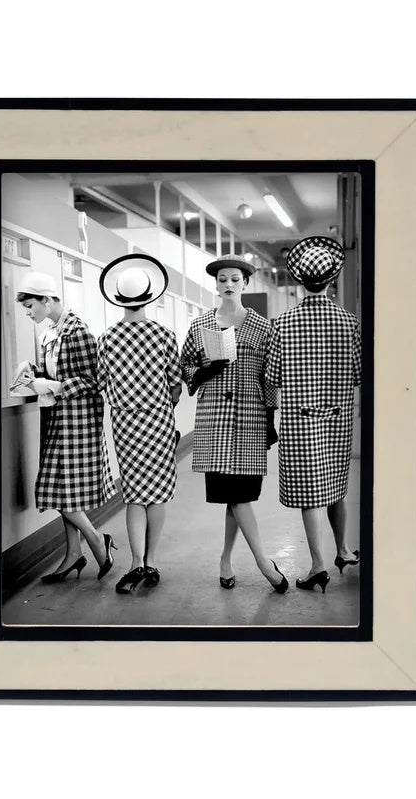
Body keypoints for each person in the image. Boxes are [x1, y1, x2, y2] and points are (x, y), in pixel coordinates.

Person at [179, 254, 288, 593]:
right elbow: (185, 367)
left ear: (246, 283)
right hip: (215, 421)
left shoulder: (263, 327)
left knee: (239, 496)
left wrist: (271, 418)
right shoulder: (200, 326)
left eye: (235, 279)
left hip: (251, 419)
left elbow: (271, 378)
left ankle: (226, 558)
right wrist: (204, 371)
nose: (228, 284)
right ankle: (262, 562)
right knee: (236, 496)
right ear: (216, 284)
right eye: (223, 279)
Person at [265, 237, 361, 593]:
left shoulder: (283, 323)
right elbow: (358, 373)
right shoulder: (348, 322)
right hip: (337, 418)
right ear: (332, 279)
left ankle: (318, 565)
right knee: (336, 485)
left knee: (309, 493)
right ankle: (343, 550)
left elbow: (272, 377)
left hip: (300, 419)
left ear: (298, 281)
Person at [12, 271, 117, 584]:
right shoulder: (51, 331)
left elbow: (97, 380)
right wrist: (33, 371)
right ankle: (74, 554)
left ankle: (98, 541)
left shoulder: (76, 329)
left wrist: (55, 386)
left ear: (47, 300)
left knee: (57, 490)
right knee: (64, 491)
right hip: (60, 417)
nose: (28, 312)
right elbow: (57, 371)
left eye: (31, 305)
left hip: (79, 421)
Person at [97, 255, 183, 594]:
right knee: (157, 494)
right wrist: (162, 402)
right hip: (158, 419)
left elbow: (102, 383)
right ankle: (152, 560)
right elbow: (175, 383)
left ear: (118, 298)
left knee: (134, 495)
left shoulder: (106, 338)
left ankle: (135, 561)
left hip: (125, 424)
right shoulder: (163, 335)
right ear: (150, 297)